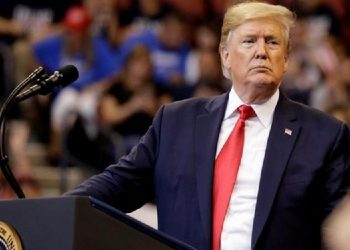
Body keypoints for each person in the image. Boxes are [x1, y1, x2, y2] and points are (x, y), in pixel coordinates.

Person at [65, 2, 350, 250]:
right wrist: (52, 210)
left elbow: (338, 230)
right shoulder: (176, 121)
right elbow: (118, 185)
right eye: (249, 41)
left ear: (286, 59)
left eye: (272, 42)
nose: (261, 51)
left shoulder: (324, 135)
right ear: (225, 56)